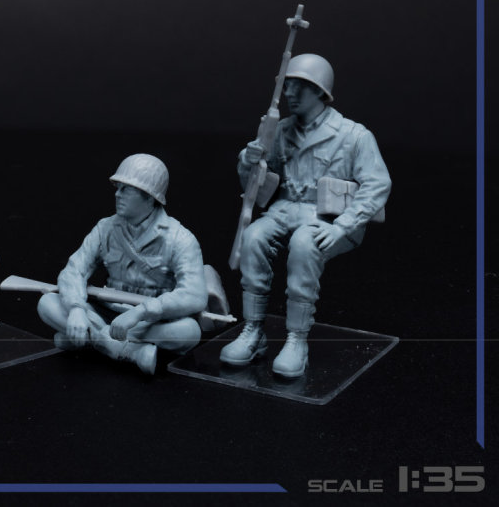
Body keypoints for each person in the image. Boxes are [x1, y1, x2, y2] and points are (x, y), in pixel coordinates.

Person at [220, 54, 391, 377]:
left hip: (328, 217)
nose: (290, 94)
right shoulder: (279, 131)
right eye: (287, 86)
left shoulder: (353, 135)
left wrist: (343, 225)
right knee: (253, 237)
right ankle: (253, 330)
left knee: (303, 244)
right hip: (285, 209)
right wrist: (249, 161)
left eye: (299, 87)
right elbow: (255, 188)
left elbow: (377, 185)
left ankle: (297, 339)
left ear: (320, 91)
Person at [37, 154, 209, 375]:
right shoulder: (105, 228)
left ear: (149, 197)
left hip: (148, 322)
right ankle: (130, 352)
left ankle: (90, 339)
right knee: (47, 303)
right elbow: (74, 270)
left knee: (188, 332)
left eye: (126, 189)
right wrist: (76, 308)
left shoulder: (180, 239)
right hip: (104, 312)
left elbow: (194, 295)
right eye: (118, 188)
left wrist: (141, 312)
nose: (117, 195)